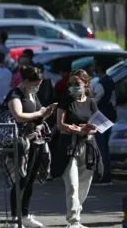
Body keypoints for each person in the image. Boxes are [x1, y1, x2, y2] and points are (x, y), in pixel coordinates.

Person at [5, 65, 56, 228]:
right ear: (26, 81)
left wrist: (46, 112)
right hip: (20, 143)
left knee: (30, 180)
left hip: (35, 141)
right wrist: (39, 114)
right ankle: (14, 218)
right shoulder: (15, 95)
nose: (38, 87)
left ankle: (25, 214)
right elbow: (19, 116)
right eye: (36, 83)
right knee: (20, 180)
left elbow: (37, 113)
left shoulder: (32, 94)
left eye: (40, 84)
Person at [53, 69, 103, 228]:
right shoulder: (65, 100)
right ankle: (73, 221)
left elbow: (98, 126)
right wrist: (74, 129)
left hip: (87, 147)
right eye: (70, 84)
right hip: (69, 147)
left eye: (77, 84)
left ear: (85, 84)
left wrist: (89, 129)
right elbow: (60, 124)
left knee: (84, 185)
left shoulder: (91, 102)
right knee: (72, 185)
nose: (73, 87)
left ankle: (76, 213)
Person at [91, 58, 116, 185]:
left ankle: (103, 176)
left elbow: (96, 100)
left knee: (101, 146)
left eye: (94, 64)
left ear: (99, 67)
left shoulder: (101, 83)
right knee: (104, 145)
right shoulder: (110, 80)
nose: (92, 66)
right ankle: (106, 175)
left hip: (102, 115)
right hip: (110, 114)